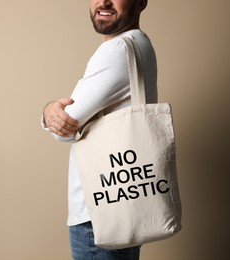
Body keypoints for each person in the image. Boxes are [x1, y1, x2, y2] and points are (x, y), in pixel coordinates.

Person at [41, 0, 157, 259]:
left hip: (98, 212)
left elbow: (63, 128)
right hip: (124, 202)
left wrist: (48, 110)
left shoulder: (117, 50)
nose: (103, 1)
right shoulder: (141, 44)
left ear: (141, 2)